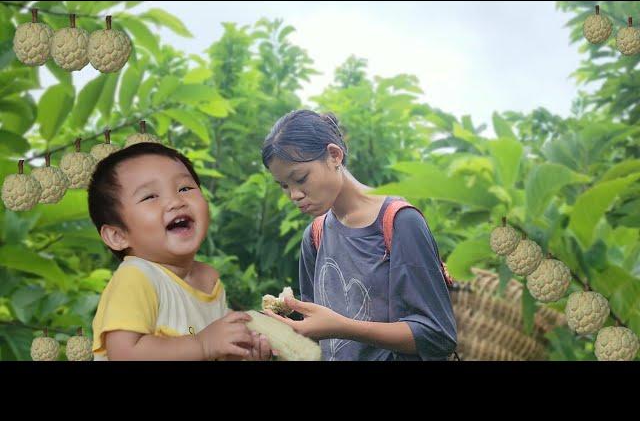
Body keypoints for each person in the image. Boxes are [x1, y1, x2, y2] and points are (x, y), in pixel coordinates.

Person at [261, 109, 457, 361]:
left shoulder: (400, 222)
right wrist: (278, 334)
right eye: (284, 186)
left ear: (334, 155)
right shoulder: (315, 236)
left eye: (300, 178)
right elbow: (314, 331)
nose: (294, 195)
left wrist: (342, 327)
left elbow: (438, 335)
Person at [88, 142, 272, 361]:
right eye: (150, 197)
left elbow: (213, 350)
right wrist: (202, 344)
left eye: (185, 188)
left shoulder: (209, 281)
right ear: (118, 236)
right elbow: (124, 354)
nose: (176, 201)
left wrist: (241, 353)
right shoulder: (137, 277)